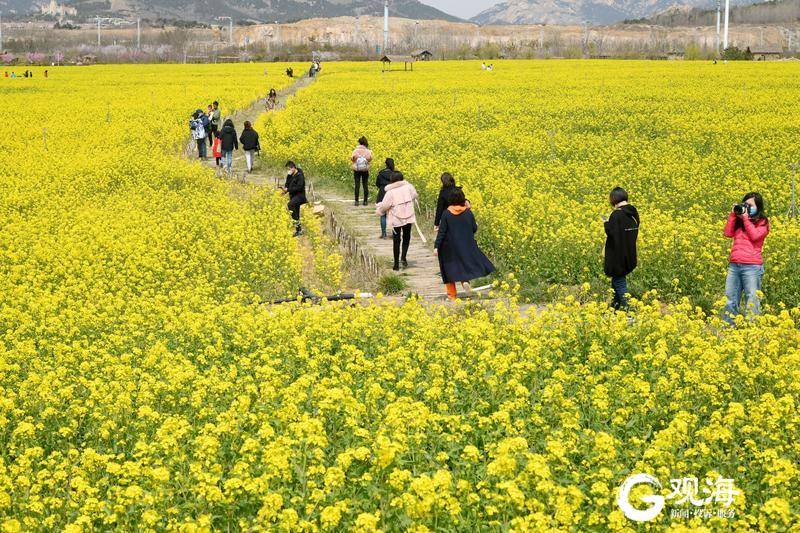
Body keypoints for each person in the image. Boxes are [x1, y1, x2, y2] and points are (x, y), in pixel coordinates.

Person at [434, 188, 495, 300]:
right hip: (466, 245)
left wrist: (436, 246)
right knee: (462, 265)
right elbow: (474, 228)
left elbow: (442, 232)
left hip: (449, 247)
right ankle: (465, 282)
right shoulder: (467, 212)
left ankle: (452, 295)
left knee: (448, 269)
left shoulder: (447, 213)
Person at [722, 192, 769, 323]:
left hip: (752, 267)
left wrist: (746, 219)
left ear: (758, 207)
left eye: (750, 205)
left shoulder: (763, 222)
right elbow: (727, 233)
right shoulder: (739, 221)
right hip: (735, 265)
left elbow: (755, 236)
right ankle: (727, 328)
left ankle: (751, 331)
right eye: (745, 204)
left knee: (752, 300)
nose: (747, 207)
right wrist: (733, 215)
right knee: (730, 298)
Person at [603, 187, 639, 310]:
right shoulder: (634, 213)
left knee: (619, 282)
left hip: (618, 256)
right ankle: (615, 308)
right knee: (616, 281)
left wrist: (607, 223)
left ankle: (629, 309)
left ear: (613, 200)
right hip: (630, 253)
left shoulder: (616, 215)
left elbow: (612, 233)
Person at [376, 171, 417, 271]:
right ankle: (403, 257)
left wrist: (379, 210)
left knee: (396, 240)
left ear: (392, 180)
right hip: (408, 216)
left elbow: (385, 206)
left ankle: (396, 264)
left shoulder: (390, 192)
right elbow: (414, 195)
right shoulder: (409, 187)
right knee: (406, 237)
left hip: (396, 218)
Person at [283, 161, 307, 237]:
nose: (288, 170)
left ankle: (297, 226)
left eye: (289, 169)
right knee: (296, 212)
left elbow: (299, 187)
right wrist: (288, 176)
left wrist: (288, 190)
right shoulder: (291, 175)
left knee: (290, 205)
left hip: (300, 196)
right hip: (293, 196)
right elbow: (287, 184)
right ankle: (298, 231)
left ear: (293, 167)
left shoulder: (300, 176)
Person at [375, 158, 395, 239]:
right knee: (393, 214)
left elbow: (377, 184)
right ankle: (394, 234)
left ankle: (384, 234)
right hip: (392, 195)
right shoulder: (394, 174)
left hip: (382, 195)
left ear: (385, 164)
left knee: (382, 214)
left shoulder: (381, 173)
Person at [351, 136, 373, 206]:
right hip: (365, 170)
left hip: (357, 169)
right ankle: (365, 201)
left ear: (359, 142)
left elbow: (352, 158)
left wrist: (356, 159)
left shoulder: (355, 151)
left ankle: (356, 201)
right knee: (365, 185)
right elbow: (370, 159)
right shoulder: (368, 151)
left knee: (357, 185)